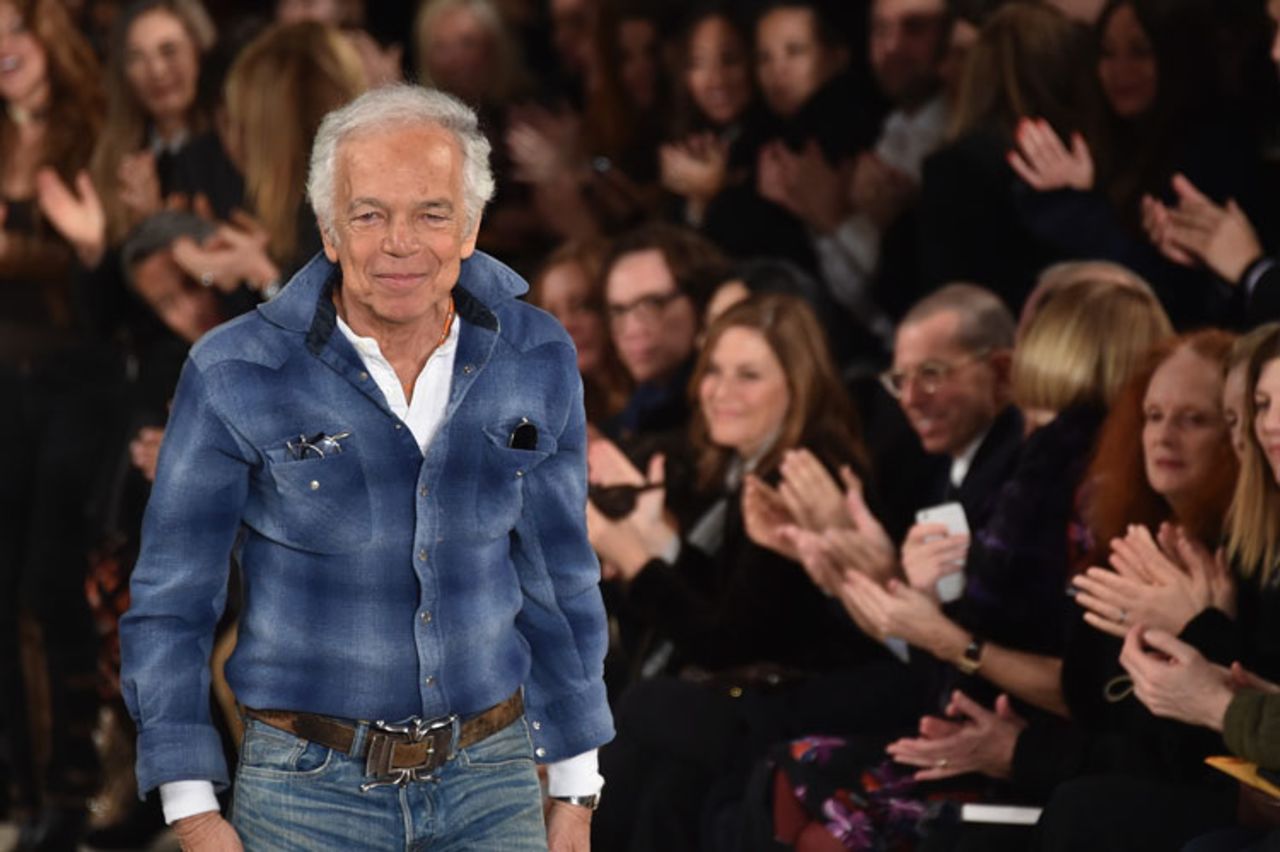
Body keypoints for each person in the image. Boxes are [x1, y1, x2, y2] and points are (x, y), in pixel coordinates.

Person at [118, 84, 612, 851]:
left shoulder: (538, 353)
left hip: (495, 779)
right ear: (329, 230)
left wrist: (577, 788)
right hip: (304, 796)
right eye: (370, 214)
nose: (400, 243)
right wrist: (192, 809)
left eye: (431, 213)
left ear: (472, 226)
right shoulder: (235, 369)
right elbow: (171, 598)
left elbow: (561, 578)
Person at [585, 292, 880, 851]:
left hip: (821, 705)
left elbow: (729, 641)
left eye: (749, 376)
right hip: (759, 696)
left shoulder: (799, 470)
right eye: (715, 371)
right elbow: (736, 605)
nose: (720, 392)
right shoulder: (753, 464)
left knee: (649, 706)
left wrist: (641, 560)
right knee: (668, 787)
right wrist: (660, 544)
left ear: (798, 385)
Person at [600, 222, 730, 444]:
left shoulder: (726, 414)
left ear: (701, 304)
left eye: (653, 303)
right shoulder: (624, 424)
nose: (632, 329)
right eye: (618, 311)